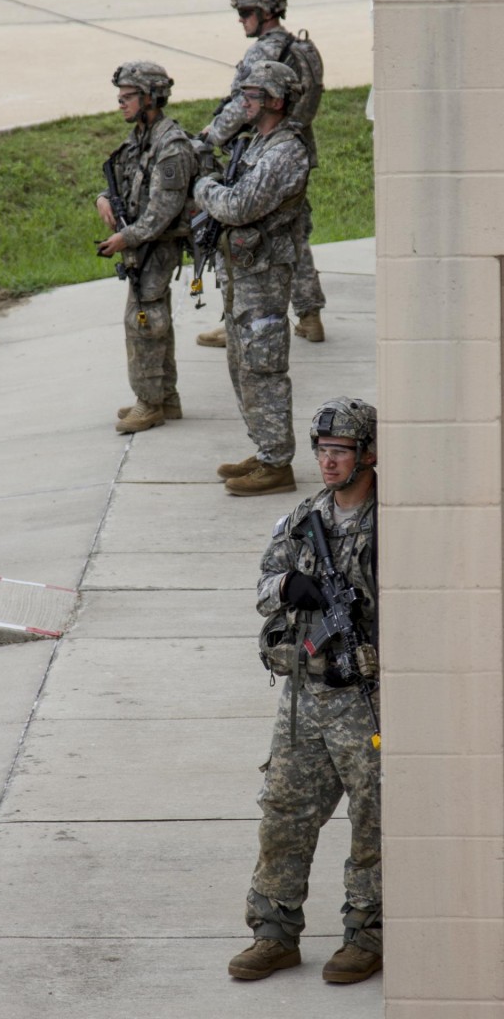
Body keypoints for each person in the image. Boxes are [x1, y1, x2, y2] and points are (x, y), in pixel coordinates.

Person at [228, 397, 382, 985]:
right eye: (321, 451)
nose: (328, 462)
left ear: (368, 454)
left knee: (373, 819)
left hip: (366, 696)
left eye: (339, 451)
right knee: (284, 812)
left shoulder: (390, 524)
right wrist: (289, 585)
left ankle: (367, 934)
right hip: (304, 697)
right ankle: (273, 931)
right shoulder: (304, 518)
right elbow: (264, 583)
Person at [193, 60, 308, 497]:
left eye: (252, 94)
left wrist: (202, 187)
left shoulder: (284, 151)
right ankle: (265, 449)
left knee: (264, 368)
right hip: (244, 275)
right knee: (242, 366)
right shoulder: (258, 144)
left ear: (276, 101)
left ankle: (278, 464)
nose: (243, 101)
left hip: (264, 278)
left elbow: (239, 206)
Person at [196, 0, 326, 350]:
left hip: (268, 151)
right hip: (299, 147)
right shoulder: (303, 46)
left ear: (264, 12)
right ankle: (310, 313)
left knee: (256, 235)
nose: (241, 20)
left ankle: (238, 315)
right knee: (294, 233)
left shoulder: (262, 53)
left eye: (245, 13)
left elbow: (242, 104)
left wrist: (211, 136)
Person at [96, 62, 196, 433]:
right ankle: (165, 397)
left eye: (128, 97)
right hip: (142, 240)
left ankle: (149, 402)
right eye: (119, 96)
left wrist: (127, 238)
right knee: (154, 319)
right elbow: (122, 175)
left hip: (157, 244)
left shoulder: (170, 145)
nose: (120, 103)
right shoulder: (140, 136)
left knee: (143, 322)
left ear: (150, 98)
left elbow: (162, 212)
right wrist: (104, 197)